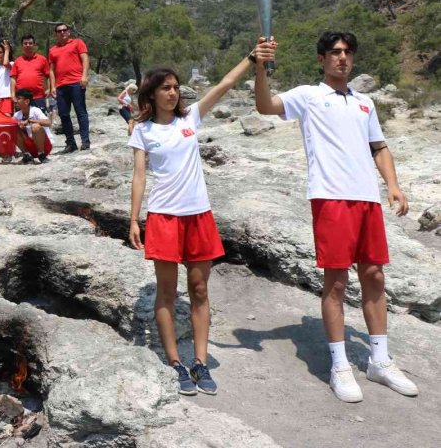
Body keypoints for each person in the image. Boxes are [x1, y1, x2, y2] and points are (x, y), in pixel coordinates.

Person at [253, 32, 418, 403]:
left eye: (347, 52)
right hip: (330, 198)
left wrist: (393, 185)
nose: (342, 58)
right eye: (334, 52)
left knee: (374, 275)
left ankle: (379, 361)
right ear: (321, 59)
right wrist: (261, 67)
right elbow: (265, 106)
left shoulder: (364, 102)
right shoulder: (308, 96)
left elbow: (379, 147)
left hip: (367, 199)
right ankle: (340, 365)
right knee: (337, 282)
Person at [127, 52, 254, 396]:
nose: (173, 93)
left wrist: (252, 58)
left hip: (198, 215)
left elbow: (226, 84)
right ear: (151, 93)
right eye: (165, 88)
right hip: (164, 216)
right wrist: (134, 219)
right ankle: (175, 363)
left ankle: (200, 361)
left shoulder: (190, 118)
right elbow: (139, 176)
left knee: (199, 290)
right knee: (167, 293)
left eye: (175, 87)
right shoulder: (143, 130)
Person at [49, 24, 90, 152]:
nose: (62, 32)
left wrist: (84, 76)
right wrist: (52, 86)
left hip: (76, 83)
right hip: (61, 86)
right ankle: (71, 143)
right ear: (56, 34)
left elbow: (85, 59)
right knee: (63, 114)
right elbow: (51, 70)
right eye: (59, 31)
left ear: (69, 32)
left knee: (80, 111)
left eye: (64, 30)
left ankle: (85, 141)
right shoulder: (52, 50)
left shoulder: (78, 42)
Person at [10, 34, 52, 114]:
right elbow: (13, 78)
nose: (28, 45)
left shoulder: (42, 59)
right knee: (21, 120)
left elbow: (48, 75)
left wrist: (48, 89)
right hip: (22, 98)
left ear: (34, 44)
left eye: (30, 43)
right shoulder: (17, 61)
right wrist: (12, 94)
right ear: (22, 45)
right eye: (25, 43)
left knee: (39, 120)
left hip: (38, 97)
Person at [13, 88, 52, 164]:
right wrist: (19, 126)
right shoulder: (16, 115)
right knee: (13, 129)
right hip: (30, 147)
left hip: (44, 146)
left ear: (26, 101)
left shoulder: (35, 110)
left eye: (18, 99)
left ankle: (41, 154)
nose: (16, 101)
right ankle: (27, 155)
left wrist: (30, 121)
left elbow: (48, 122)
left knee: (36, 127)